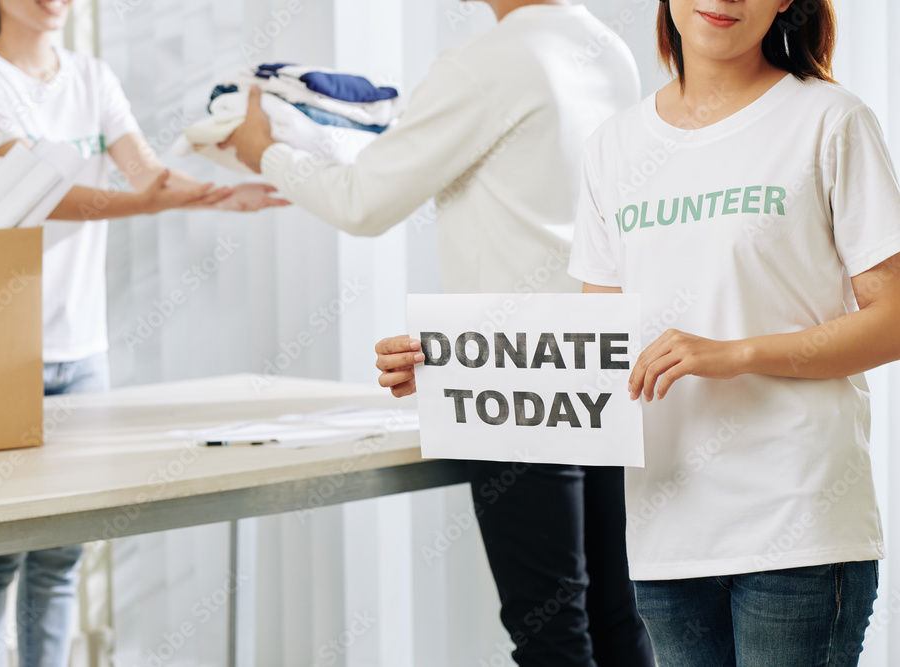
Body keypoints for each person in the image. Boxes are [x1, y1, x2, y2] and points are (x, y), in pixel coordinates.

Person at [223, 1, 654, 664]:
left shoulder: (487, 63)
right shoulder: (609, 48)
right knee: (616, 615)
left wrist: (264, 152)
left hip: (511, 371)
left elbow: (361, 201)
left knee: (551, 630)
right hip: (599, 354)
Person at [0, 1, 287, 665]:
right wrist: (160, 200)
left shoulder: (92, 76)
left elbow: (146, 173)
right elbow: (41, 192)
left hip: (82, 351)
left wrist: (217, 194)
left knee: (60, 551)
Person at [557, 0, 897, 664]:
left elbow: (893, 319)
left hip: (797, 523)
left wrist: (737, 353)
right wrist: (445, 366)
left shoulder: (829, 120)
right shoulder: (614, 147)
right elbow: (596, 346)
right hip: (667, 532)